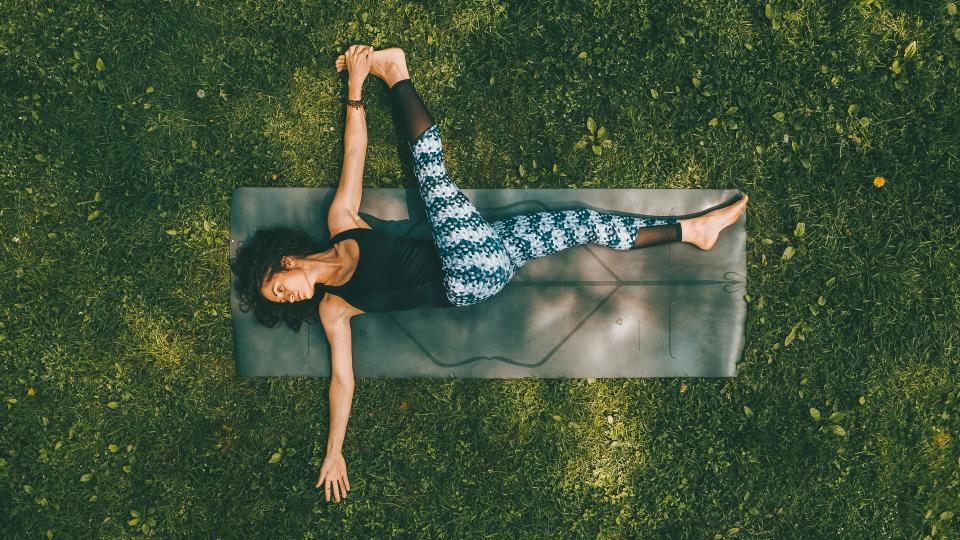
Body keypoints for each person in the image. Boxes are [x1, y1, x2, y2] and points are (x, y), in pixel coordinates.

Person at [229, 45, 749, 504]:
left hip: (483, 249)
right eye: (282, 302)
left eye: (280, 288)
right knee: (433, 182)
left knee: (579, 224)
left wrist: (354, 89)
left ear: (286, 262)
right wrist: (334, 452)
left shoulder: (341, 224)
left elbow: (355, 154)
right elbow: (343, 380)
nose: (290, 298)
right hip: (467, 280)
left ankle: (691, 232)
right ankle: (398, 71)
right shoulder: (333, 307)